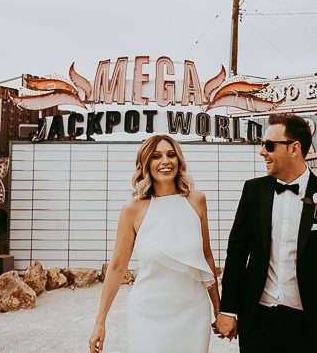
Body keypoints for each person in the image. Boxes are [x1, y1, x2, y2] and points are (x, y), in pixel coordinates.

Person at [215, 113, 317, 353]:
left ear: (294, 148)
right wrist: (228, 309)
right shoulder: (253, 191)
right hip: (257, 322)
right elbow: (236, 254)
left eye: (269, 145)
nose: (262, 152)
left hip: (309, 325)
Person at [88, 135, 220, 353]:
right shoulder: (132, 209)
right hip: (148, 312)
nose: (165, 161)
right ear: (146, 163)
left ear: (179, 160)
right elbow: (117, 267)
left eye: (171, 155)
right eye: (156, 156)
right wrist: (100, 322)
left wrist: (218, 308)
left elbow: (206, 256)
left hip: (194, 311)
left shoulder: (197, 200)